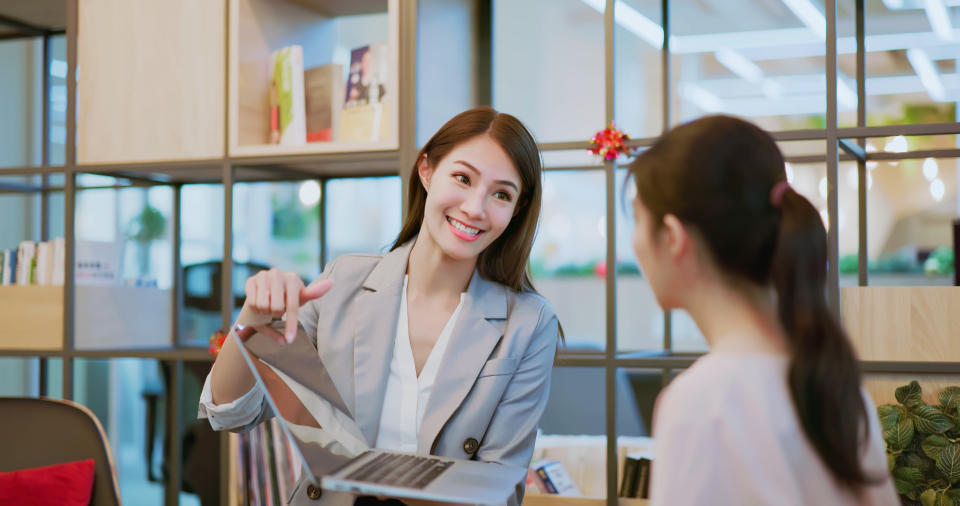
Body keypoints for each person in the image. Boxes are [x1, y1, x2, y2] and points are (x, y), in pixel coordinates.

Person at [198, 106, 560, 504]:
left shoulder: (528, 323)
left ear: (516, 210)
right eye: (462, 177)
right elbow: (232, 415)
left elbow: (498, 490)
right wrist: (251, 319)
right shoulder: (341, 284)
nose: (476, 208)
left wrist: (374, 479)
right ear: (426, 171)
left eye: (501, 194)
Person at [626, 115, 898, 505]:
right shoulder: (838, 391)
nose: (633, 243)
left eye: (637, 219)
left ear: (672, 237)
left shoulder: (701, 404)